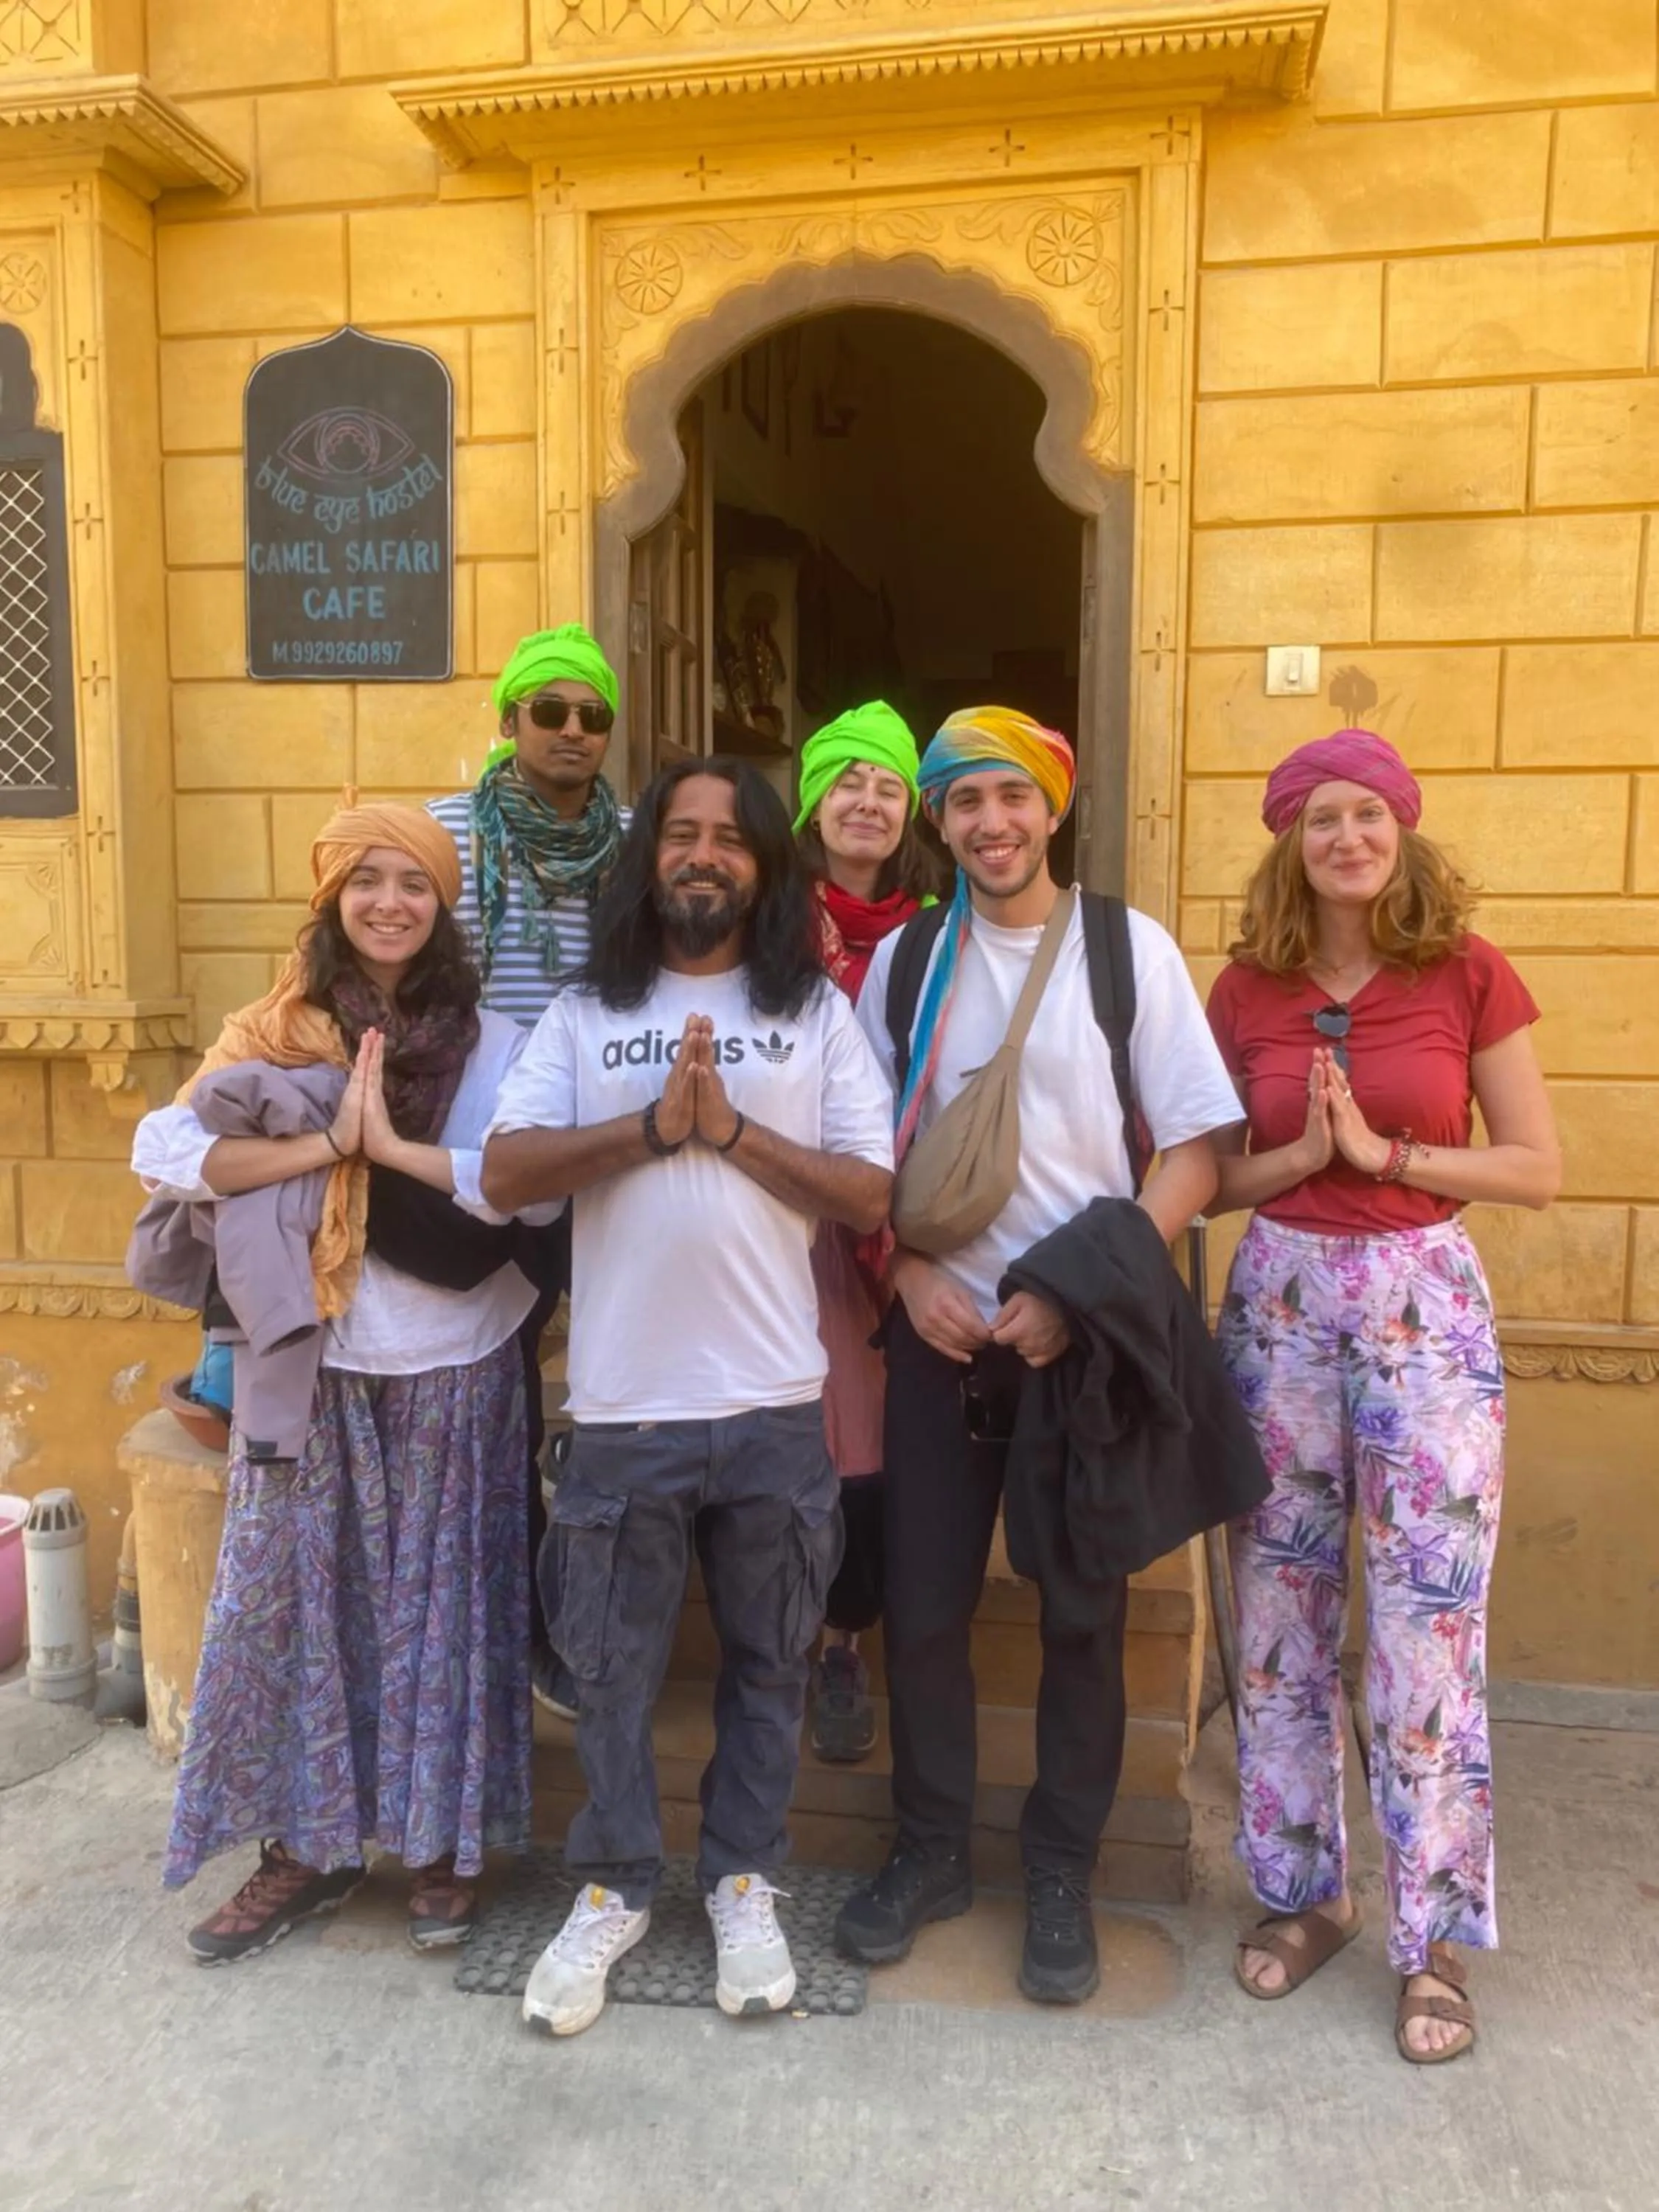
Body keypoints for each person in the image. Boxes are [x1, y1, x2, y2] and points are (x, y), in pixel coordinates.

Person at [834, 708, 1248, 2003]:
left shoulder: (1127, 953)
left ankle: (1061, 1868)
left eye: (1010, 795)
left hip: (1082, 1344)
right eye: (962, 801)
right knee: (923, 1612)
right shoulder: (905, 961)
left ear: (1052, 806)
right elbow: (859, 1154)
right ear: (937, 821)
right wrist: (905, 1277)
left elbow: (1194, 1153)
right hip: (938, 1339)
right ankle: (929, 1849)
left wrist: (1081, 1289)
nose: (989, 822)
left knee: (1081, 1616)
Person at [480, 759, 895, 2037]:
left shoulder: (812, 1013)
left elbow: (869, 1191)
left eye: (730, 838)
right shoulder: (585, 1012)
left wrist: (733, 1134)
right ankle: (613, 1884)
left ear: (764, 868)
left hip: (774, 1403)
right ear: (647, 856)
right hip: (624, 1409)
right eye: (680, 833)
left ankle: (741, 1880)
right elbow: (505, 1173)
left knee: (770, 1665)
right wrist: (653, 1130)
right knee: (610, 1675)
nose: (703, 854)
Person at [128, 803, 556, 1963]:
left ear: (442, 903)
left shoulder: (499, 1042)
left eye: (413, 882)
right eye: (365, 880)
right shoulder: (271, 1027)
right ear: (331, 899)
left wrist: (395, 1153)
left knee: (443, 1609)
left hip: (455, 1359)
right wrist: (327, 1144)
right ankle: (305, 1850)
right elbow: (166, 1153)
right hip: (311, 1363)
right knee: (295, 1609)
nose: (389, 903)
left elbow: (528, 1191)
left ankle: (441, 1845)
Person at [1205, 728, 1560, 2065]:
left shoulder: (1465, 972)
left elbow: (1533, 1168)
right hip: (1279, 1300)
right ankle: (1309, 1893)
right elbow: (1211, 1176)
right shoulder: (1245, 989)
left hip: (1424, 1303)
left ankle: (1435, 1937)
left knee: (1428, 1620)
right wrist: (1304, 1149)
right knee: (1277, 1609)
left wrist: (1387, 1153)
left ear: (1401, 829)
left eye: (1366, 814)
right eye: (1319, 819)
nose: (1345, 837)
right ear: (1289, 844)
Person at [429, 623, 630, 1719]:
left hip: (609, 1156)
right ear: (510, 719)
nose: (570, 730)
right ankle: (526, 1622)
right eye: (548, 710)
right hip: (481, 1157)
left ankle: (601, 1613)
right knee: (499, 1390)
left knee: (615, 1389)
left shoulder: (636, 844)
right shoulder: (445, 838)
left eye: (591, 715)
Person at [793, 700, 939, 1763]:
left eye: (888, 786)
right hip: (788, 1214)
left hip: (911, 1219)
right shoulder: (768, 919)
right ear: (813, 801)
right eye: (848, 780)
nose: (868, 801)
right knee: (801, 1431)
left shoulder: (941, 928)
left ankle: (845, 1639)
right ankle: (786, 1637)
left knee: (876, 1437)